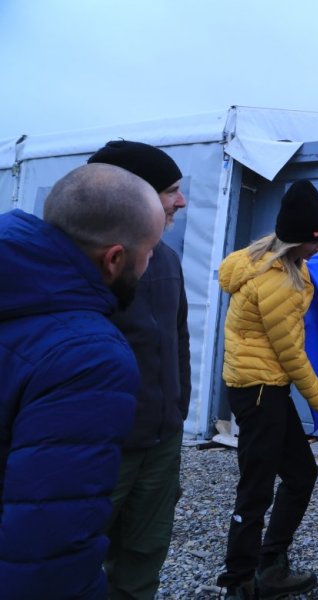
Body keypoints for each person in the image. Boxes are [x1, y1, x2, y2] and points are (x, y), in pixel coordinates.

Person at [0, 164, 165, 599]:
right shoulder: (89, 355)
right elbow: (48, 543)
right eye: (148, 254)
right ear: (114, 258)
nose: (148, 267)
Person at [215, 179, 318, 600]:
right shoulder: (277, 283)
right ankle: (241, 581)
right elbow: (292, 355)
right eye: (317, 241)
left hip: (259, 387)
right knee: (257, 486)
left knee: (299, 474)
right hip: (260, 390)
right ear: (296, 240)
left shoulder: (262, 259)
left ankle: (269, 563)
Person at [86, 140, 191, 600]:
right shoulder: (83, 265)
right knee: (73, 559)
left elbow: (179, 337)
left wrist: (178, 408)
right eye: (171, 190)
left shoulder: (165, 257)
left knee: (144, 557)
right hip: (100, 450)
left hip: (161, 442)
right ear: (136, 195)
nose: (181, 201)